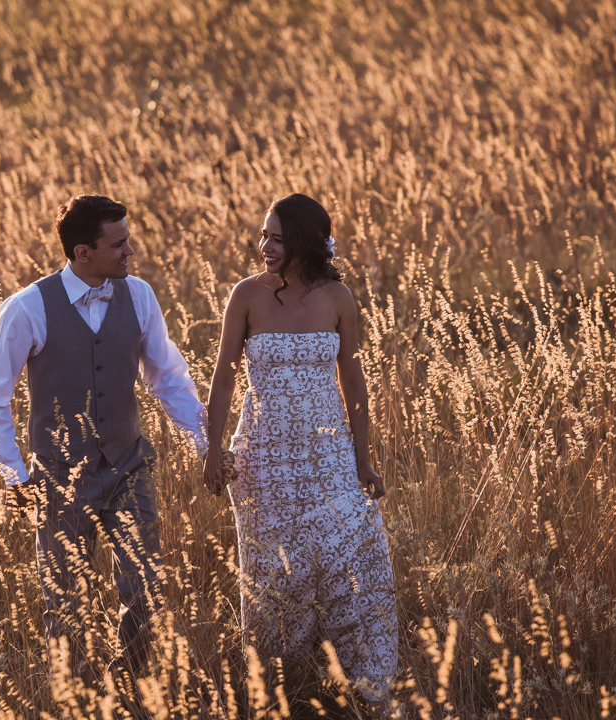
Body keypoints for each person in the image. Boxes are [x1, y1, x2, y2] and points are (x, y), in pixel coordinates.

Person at [0, 194, 207, 682]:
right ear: (83, 252)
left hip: (129, 466)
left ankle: (132, 685)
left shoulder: (139, 295)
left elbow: (167, 377)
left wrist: (204, 444)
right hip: (59, 478)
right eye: (118, 244)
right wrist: (13, 475)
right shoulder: (27, 308)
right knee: (65, 604)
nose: (130, 252)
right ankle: (75, 695)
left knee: (146, 588)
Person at [203, 193, 397, 716]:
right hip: (263, 458)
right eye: (263, 236)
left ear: (306, 243)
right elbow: (223, 377)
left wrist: (362, 460)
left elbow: (353, 382)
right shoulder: (246, 295)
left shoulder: (338, 298)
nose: (265, 247)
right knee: (273, 572)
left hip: (329, 455)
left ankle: (364, 688)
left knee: (350, 549)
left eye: (278, 239)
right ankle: (274, 690)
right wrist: (213, 449)